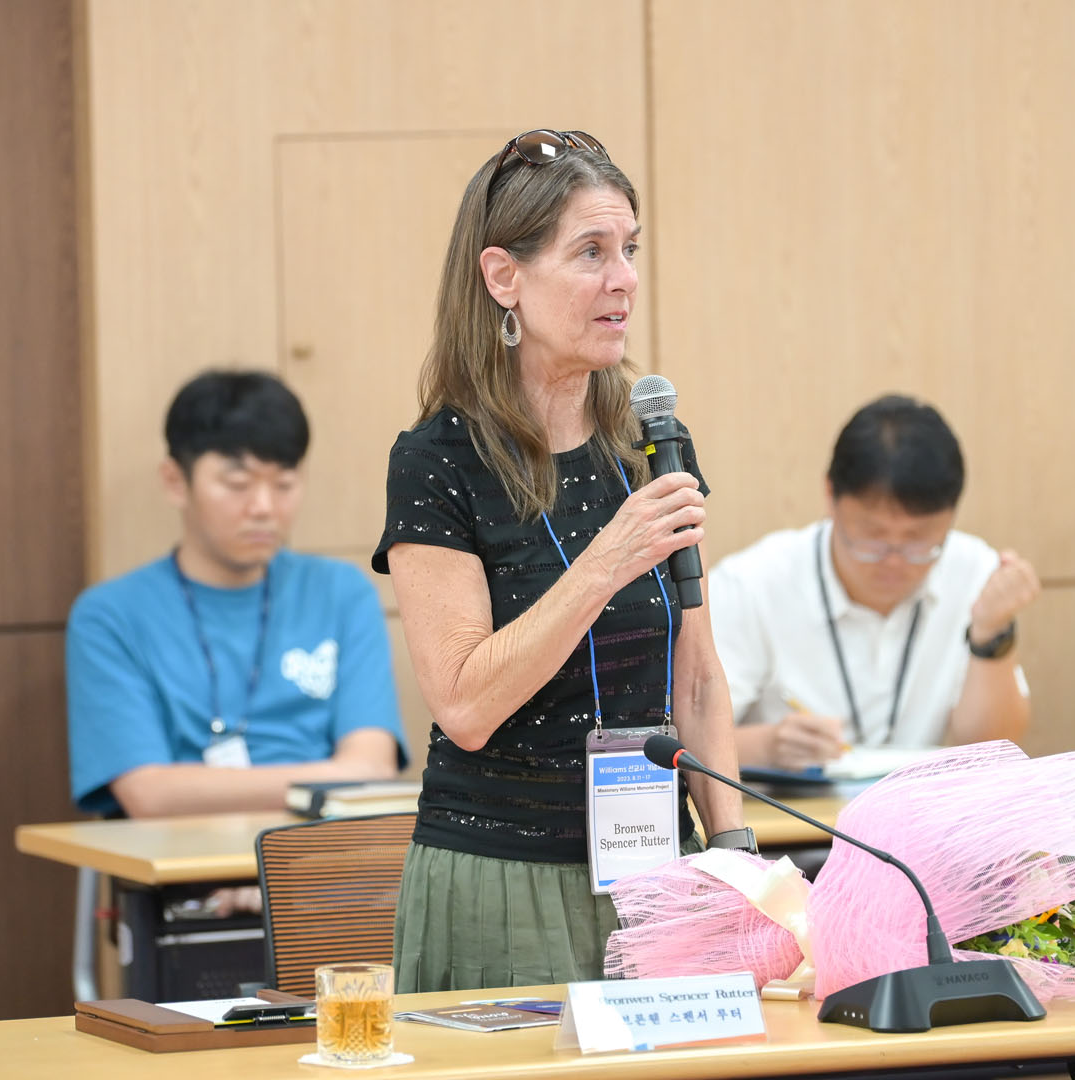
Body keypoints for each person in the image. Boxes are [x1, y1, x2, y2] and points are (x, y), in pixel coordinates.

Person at [374, 128, 745, 992]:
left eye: (629, 250)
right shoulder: (438, 461)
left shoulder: (650, 442)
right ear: (504, 277)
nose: (624, 279)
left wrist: (732, 850)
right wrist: (606, 561)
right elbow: (465, 704)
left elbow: (695, 679)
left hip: (659, 871)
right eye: (590, 252)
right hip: (503, 880)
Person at [67, 370, 406, 825]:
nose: (264, 507)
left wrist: (197, 788)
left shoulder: (342, 594)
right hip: (179, 860)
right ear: (175, 481)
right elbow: (147, 794)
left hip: (320, 857)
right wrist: (330, 777)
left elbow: (373, 769)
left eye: (284, 484)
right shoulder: (110, 617)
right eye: (237, 484)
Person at [709, 396, 1038, 771]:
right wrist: (766, 747)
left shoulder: (975, 571)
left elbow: (993, 750)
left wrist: (992, 637)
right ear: (830, 496)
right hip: (786, 808)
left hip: (920, 805)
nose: (894, 560)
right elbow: (685, 741)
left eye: (918, 541)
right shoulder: (753, 583)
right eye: (872, 537)